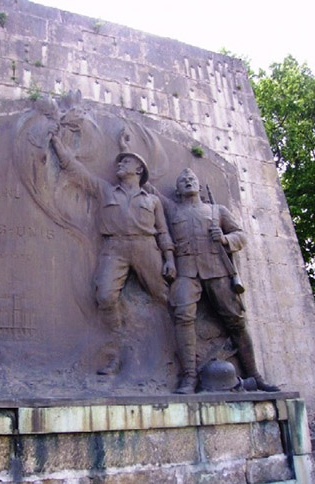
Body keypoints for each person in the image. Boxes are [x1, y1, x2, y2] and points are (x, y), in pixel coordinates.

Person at [49, 130, 176, 375]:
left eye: (126, 161)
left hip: (146, 247)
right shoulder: (105, 190)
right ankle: (115, 354)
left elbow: (163, 232)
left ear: (139, 170)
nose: (120, 164)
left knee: (166, 295)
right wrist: (57, 143)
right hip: (114, 248)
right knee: (105, 296)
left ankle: (184, 353)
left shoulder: (153, 201)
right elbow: (76, 171)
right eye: (120, 160)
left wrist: (169, 259)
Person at [147, 168, 279, 393]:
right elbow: (147, 186)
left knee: (235, 320)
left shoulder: (217, 210)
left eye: (192, 179)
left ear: (198, 186)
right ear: (178, 190)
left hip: (217, 270)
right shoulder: (172, 208)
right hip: (186, 272)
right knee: (183, 316)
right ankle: (189, 377)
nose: (188, 182)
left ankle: (254, 375)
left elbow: (241, 235)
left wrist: (225, 239)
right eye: (183, 181)